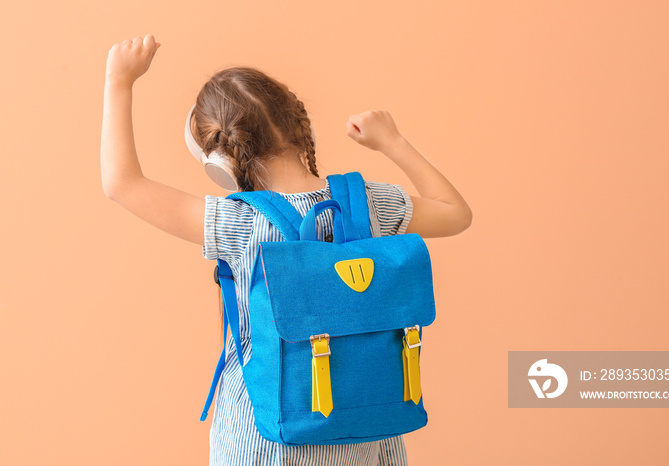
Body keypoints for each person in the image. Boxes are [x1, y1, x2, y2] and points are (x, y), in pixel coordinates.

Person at [101, 34, 472, 466]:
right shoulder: (367, 202)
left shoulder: (238, 221)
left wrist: (119, 81)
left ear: (219, 164)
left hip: (265, 441)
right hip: (371, 434)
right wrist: (392, 141)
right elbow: (455, 213)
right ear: (302, 127)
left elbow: (121, 184)